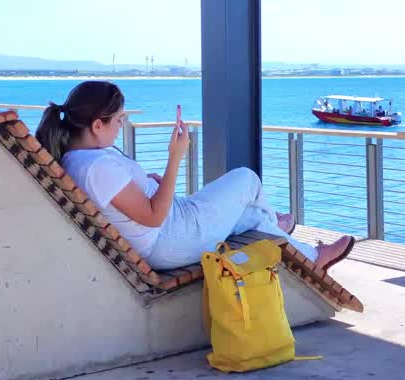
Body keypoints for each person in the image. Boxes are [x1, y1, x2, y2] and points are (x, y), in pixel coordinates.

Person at [36, 81, 354, 273]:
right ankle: (295, 242)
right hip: (170, 239)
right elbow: (153, 217)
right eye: (119, 119)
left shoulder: (78, 160)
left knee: (247, 211)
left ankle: (279, 230)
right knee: (247, 179)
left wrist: (143, 182)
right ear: (96, 125)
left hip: (172, 229)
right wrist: (176, 157)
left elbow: (123, 200)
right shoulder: (97, 167)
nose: (122, 125)